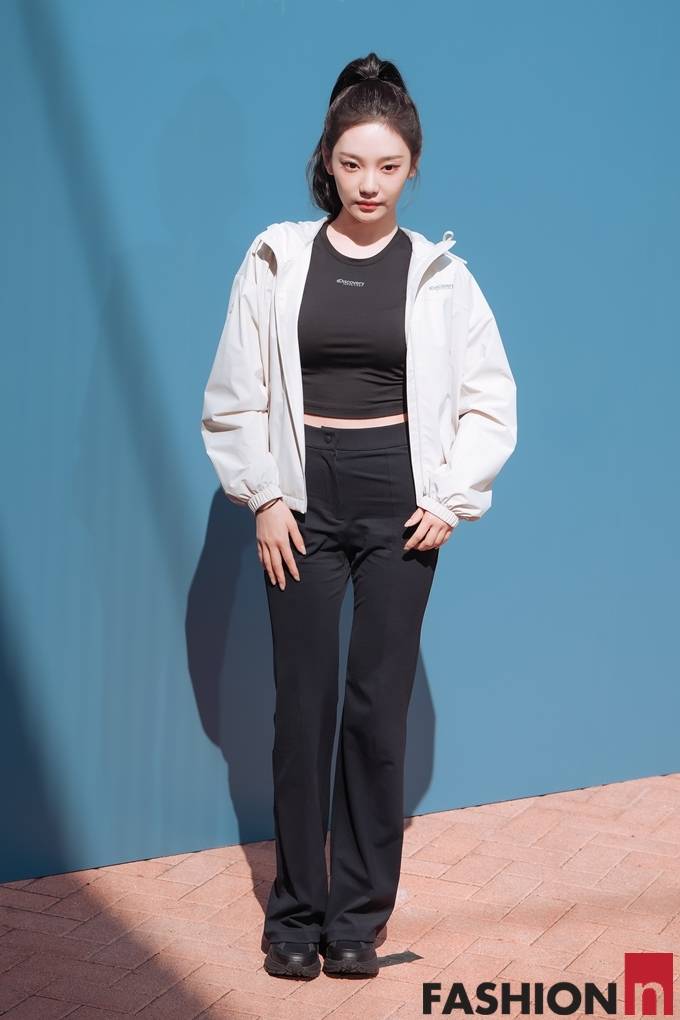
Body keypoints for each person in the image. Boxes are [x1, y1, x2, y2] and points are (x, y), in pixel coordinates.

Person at [201, 50, 517, 981]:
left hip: (398, 501)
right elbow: (235, 391)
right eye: (352, 163)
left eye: (388, 165)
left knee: (378, 712)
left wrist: (451, 496)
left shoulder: (442, 276)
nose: (369, 183)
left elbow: (490, 399)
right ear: (327, 162)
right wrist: (263, 496)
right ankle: (293, 915)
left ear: (413, 167)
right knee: (302, 707)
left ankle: (358, 919)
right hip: (300, 499)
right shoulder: (276, 257)